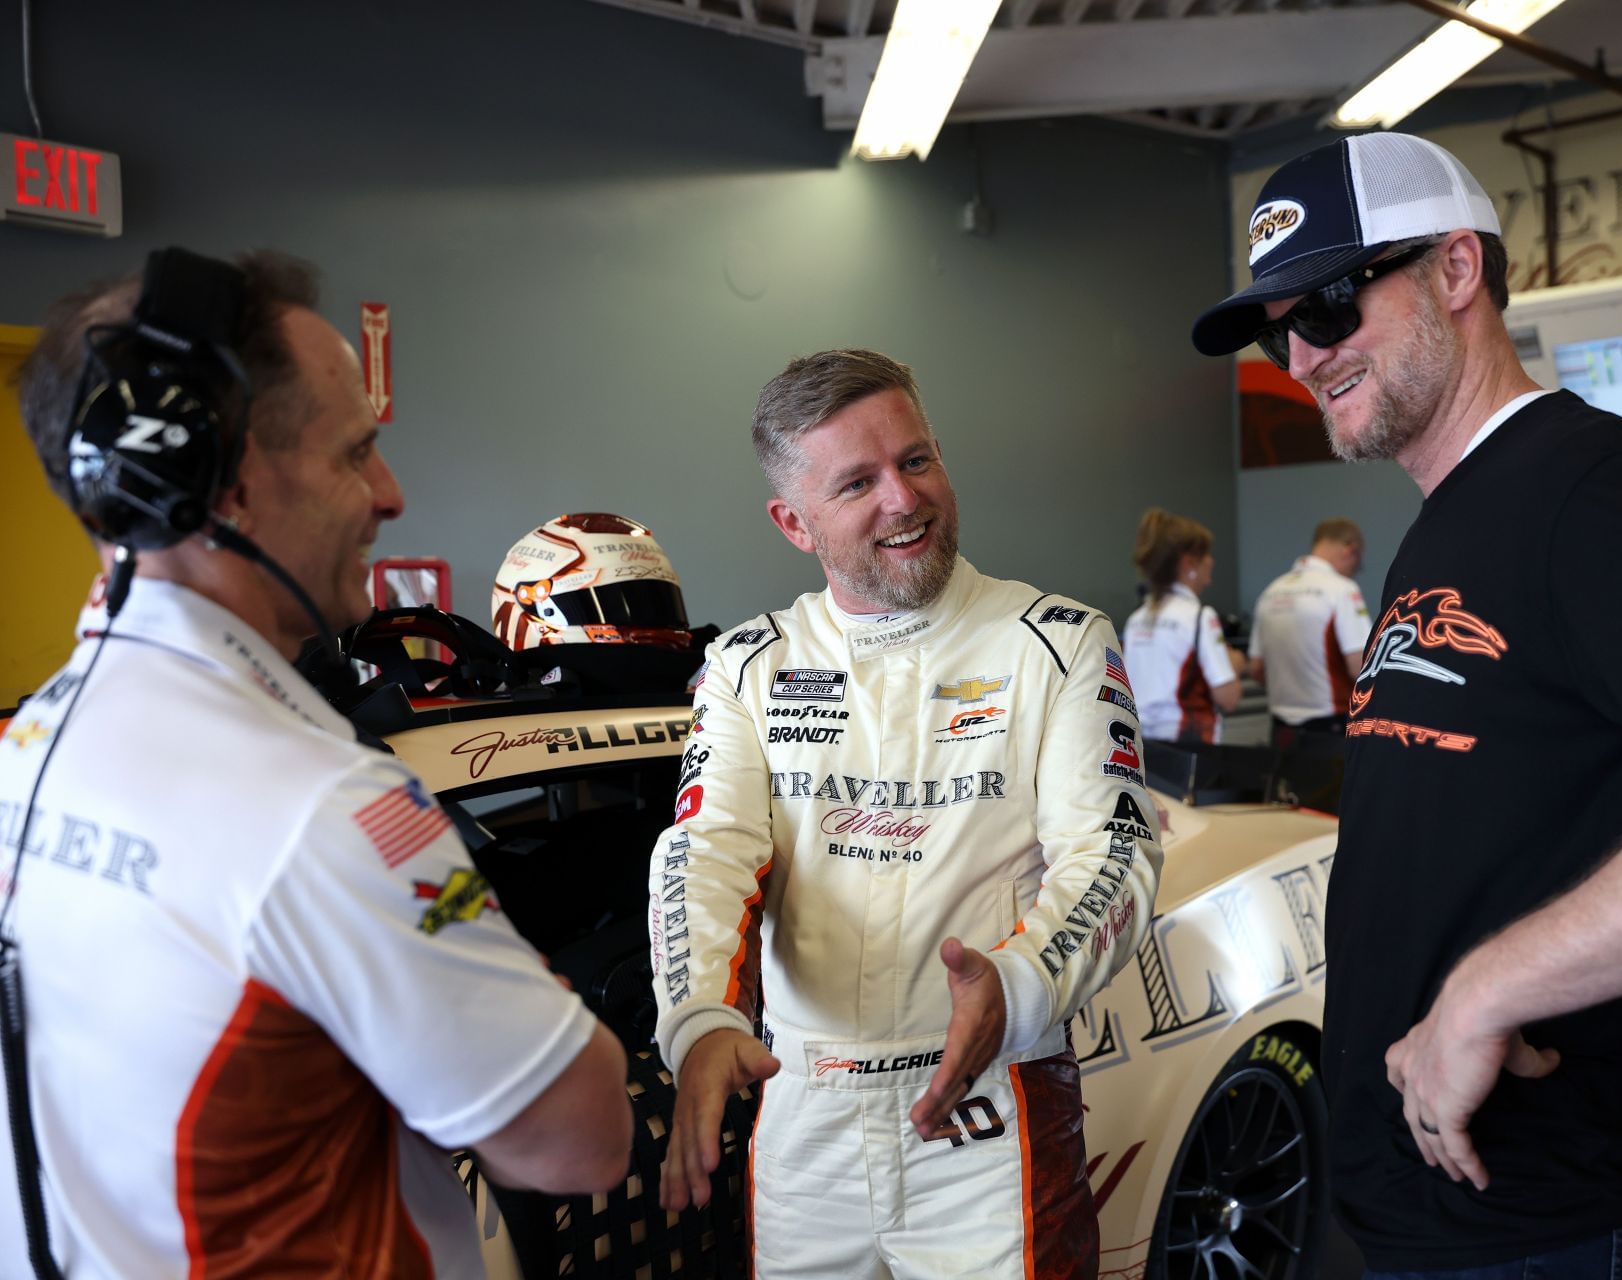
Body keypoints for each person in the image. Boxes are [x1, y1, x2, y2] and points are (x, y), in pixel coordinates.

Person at [1190, 132, 1622, 1278]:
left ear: (1457, 271)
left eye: (1326, 307)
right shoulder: (1451, 518)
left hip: (1554, 1213)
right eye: (1280, 330)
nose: (1302, 355)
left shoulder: (1590, 488)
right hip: (1448, 1200)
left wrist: (1486, 991)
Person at [0, 250, 632, 1277]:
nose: (388, 493)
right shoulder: (321, 809)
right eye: (356, 453)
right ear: (228, 487)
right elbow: (581, 1136)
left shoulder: (23, 750)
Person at [647, 348, 1162, 1278]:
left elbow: (1114, 852)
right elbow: (703, 851)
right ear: (794, 523)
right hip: (803, 1116)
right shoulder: (748, 666)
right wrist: (698, 1022)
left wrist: (1017, 984)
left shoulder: (1057, 643)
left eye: (916, 461)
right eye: (858, 482)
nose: (904, 499)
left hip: (991, 1101)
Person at [1121, 507, 1245, 746]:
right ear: (1190, 563)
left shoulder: (1137, 619)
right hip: (1188, 746)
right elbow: (1228, 698)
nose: (1212, 561)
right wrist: (1235, 664)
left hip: (1140, 746)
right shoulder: (1199, 617)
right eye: (1207, 554)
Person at [1247, 518, 1370, 748]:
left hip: (1280, 727)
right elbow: (1360, 666)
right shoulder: (1342, 589)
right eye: (1357, 563)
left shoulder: (1271, 591)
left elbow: (1256, 668)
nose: (1354, 571)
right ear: (1351, 549)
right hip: (1330, 726)